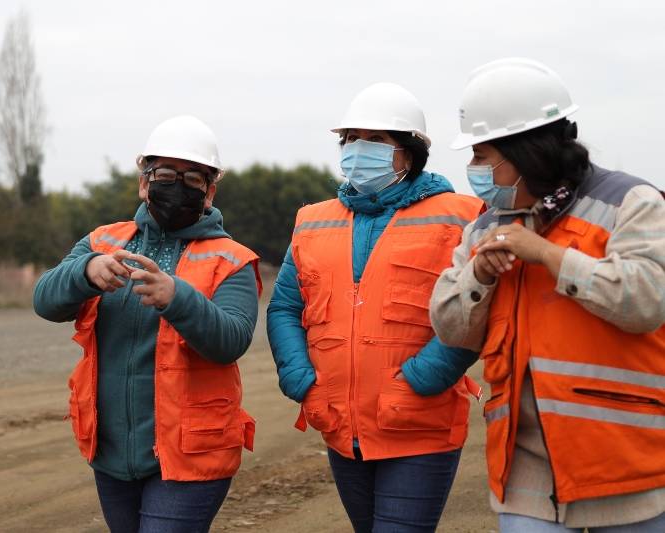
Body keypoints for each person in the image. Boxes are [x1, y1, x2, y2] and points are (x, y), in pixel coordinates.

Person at [431, 57, 665, 532]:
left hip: (625, 464)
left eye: (482, 155)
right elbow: (450, 328)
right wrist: (479, 276)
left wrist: (549, 256)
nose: (473, 169)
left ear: (526, 152)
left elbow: (646, 301)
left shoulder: (632, 204)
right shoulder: (482, 228)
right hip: (524, 469)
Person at [266, 83, 484, 533]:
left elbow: (473, 310)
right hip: (339, 424)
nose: (357, 149)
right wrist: (300, 379)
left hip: (419, 423)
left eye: (376, 140)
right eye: (350, 138)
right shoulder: (312, 220)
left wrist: (423, 380)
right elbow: (286, 306)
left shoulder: (461, 216)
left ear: (409, 152)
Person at [33, 115, 260, 533]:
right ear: (144, 182)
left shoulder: (232, 259)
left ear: (209, 192)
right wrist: (85, 271)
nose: (178, 185)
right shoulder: (102, 241)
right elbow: (45, 300)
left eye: (193, 178)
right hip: (113, 450)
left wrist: (177, 298)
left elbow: (231, 339)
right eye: (167, 174)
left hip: (192, 452)